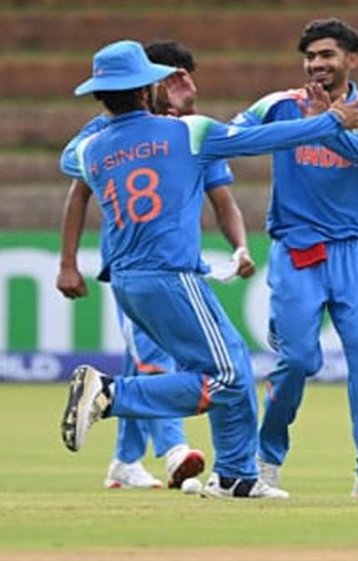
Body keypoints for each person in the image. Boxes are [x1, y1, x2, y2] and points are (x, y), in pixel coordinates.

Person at [58, 39, 358, 499]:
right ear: (146, 89)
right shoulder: (188, 132)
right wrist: (331, 121)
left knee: (231, 364)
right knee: (225, 377)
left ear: (100, 97)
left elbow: (70, 159)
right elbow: (264, 140)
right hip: (170, 275)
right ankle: (110, 393)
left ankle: (234, 476)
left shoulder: (91, 149)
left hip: (127, 280)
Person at [57, 41, 254, 491]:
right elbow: (77, 188)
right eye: (168, 77)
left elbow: (222, 199)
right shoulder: (109, 135)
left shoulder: (189, 135)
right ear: (148, 86)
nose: (177, 84)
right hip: (140, 269)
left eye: (184, 76)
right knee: (162, 365)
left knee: (193, 363)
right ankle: (172, 449)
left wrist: (241, 246)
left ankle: (128, 460)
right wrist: (67, 262)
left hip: (178, 272)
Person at [230, 17, 358, 499]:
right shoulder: (279, 104)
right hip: (298, 250)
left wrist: (328, 125)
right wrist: (318, 122)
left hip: (355, 250)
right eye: (310, 57)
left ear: (352, 59)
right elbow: (232, 139)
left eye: (327, 55)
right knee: (298, 361)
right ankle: (265, 461)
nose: (316, 64)